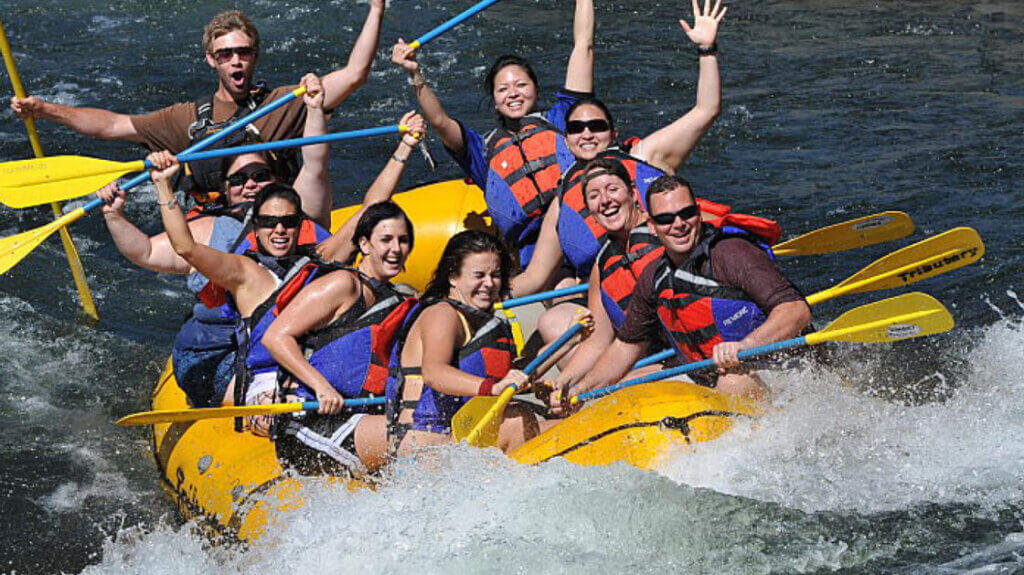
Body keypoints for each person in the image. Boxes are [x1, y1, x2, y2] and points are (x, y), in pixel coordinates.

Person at [11, 4, 386, 198]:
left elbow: (354, 74)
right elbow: (111, 125)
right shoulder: (187, 120)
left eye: (243, 52)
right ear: (211, 59)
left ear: (254, 55)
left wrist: (376, 9)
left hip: (273, 223)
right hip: (215, 226)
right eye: (225, 54)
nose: (236, 60)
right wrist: (45, 110)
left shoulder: (285, 103)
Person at [509, 0, 735, 320]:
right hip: (621, 306)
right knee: (553, 320)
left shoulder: (646, 155)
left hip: (681, 290)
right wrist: (480, 296)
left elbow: (706, 110)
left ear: (613, 133)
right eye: (576, 128)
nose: (587, 134)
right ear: (567, 139)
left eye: (597, 126)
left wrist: (707, 49)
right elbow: (534, 277)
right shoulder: (563, 201)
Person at [551, 175, 811, 406]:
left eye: (686, 213)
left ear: (698, 213)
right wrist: (578, 392)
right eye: (665, 219)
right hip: (707, 375)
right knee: (629, 387)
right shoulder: (654, 277)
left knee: (732, 383)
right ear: (651, 225)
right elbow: (624, 349)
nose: (678, 224)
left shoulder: (732, 253)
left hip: (778, 369)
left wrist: (746, 345)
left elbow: (795, 310)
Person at [391, 0, 594, 266]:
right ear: (495, 100)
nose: (513, 93)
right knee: (560, 288)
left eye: (521, 85)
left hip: (581, 224)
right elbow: (440, 121)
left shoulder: (562, 118)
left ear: (535, 88)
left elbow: (584, 46)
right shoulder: (481, 149)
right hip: (535, 253)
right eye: (503, 89)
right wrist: (415, 74)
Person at [260, 202, 416, 476]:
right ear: (365, 245)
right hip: (309, 425)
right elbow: (275, 337)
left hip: (360, 418)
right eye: (386, 240)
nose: (395, 249)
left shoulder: (398, 299)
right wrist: (321, 387)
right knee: (412, 436)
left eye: (403, 241)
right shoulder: (343, 284)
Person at [389, 230, 568, 456]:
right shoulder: (442, 314)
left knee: (564, 426)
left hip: (461, 435)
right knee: (518, 418)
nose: (489, 283)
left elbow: (507, 380)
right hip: (424, 446)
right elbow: (434, 373)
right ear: (453, 277)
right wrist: (492, 388)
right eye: (479, 275)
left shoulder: (479, 320)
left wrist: (568, 343)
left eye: (495, 275)